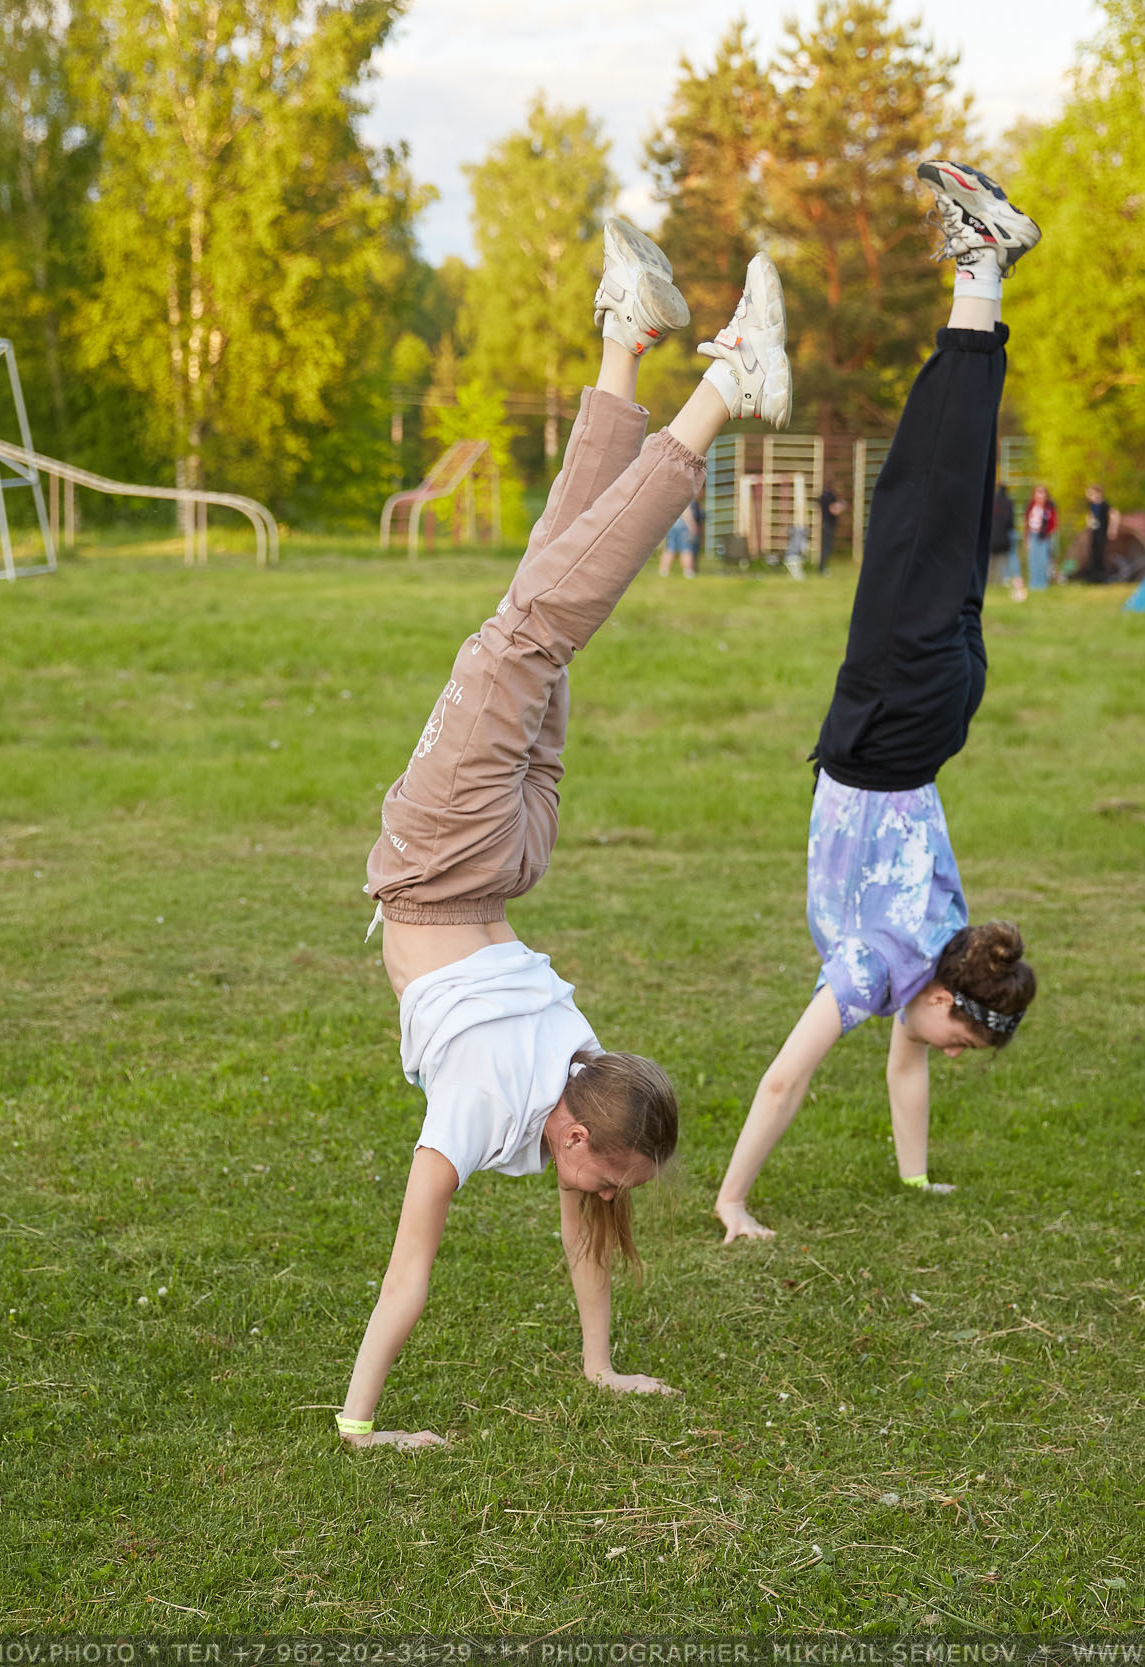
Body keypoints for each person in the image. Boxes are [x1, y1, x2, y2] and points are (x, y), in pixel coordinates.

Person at [344, 219, 796, 1444]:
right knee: (535, 619)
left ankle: (625, 339)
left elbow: (538, 1242)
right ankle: (715, 392)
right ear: (578, 1130)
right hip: (448, 865)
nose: (607, 1200)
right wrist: (359, 1423)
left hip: (500, 857)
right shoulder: (521, 1099)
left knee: (539, 603)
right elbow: (410, 1274)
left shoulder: (561, 1078)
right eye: (613, 1174)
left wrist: (599, 1365)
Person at [712, 159, 1041, 1245]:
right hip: (894, 715)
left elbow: (903, 1069)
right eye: (954, 1044)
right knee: (918, 492)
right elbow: (781, 1083)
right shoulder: (883, 966)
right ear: (953, 998)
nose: (934, 1055)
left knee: (943, 500)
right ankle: (981, 263)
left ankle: (980, 280)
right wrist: (730, 1199)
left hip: (937, 710)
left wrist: (915, 1183)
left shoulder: (939, 944)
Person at [1023, 485, 1056, 592]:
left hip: (1043, 537)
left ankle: (1041, 584)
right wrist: (1026, 538)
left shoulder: (1049, 507)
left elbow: (1053, 523)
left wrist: (1047, 533)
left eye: (1042, 494)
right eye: (1038, 493)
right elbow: (1026, 523)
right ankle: (1033, 584)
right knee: (1032, 560)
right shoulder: (1031, 506)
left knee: (1042, 561)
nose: (1040, 496)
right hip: (1032, 535)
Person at [991, 479, 1019, 600]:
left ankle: (993, 581)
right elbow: (1011, 522)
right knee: (1006, 559)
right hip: (1004, 536)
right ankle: (1007, 579)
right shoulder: (1009, 503)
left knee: (992, 562)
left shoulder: (993, 501)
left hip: (993, 537)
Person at [660, 500, 697, 578]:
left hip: (672, 524)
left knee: (669, 548)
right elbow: (686, 511)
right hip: (683, 526)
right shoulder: (687, 494)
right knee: (686, 549)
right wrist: (691, 525)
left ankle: (663, 571)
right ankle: (688, 572)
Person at [1080, 484, 1110, 581]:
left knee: (1101, 553)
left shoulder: (1105, 505)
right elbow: (1090, 516)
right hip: (1094, 532)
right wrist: (1089, 521)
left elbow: (1114, 515)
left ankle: (1102, 576)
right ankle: (1094, 575)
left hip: (1102, 532)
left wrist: (1111, 530)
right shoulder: (1091, 505)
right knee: (1094, 552)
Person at [816, 481, 845, 574]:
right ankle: (822, 568)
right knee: (827, 547)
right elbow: (834, 510)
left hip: (823, 524)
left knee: (824, 547)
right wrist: (841, 506)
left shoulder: (822, 496)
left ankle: (821, 567)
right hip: (828, 525)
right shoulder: (831, 496)